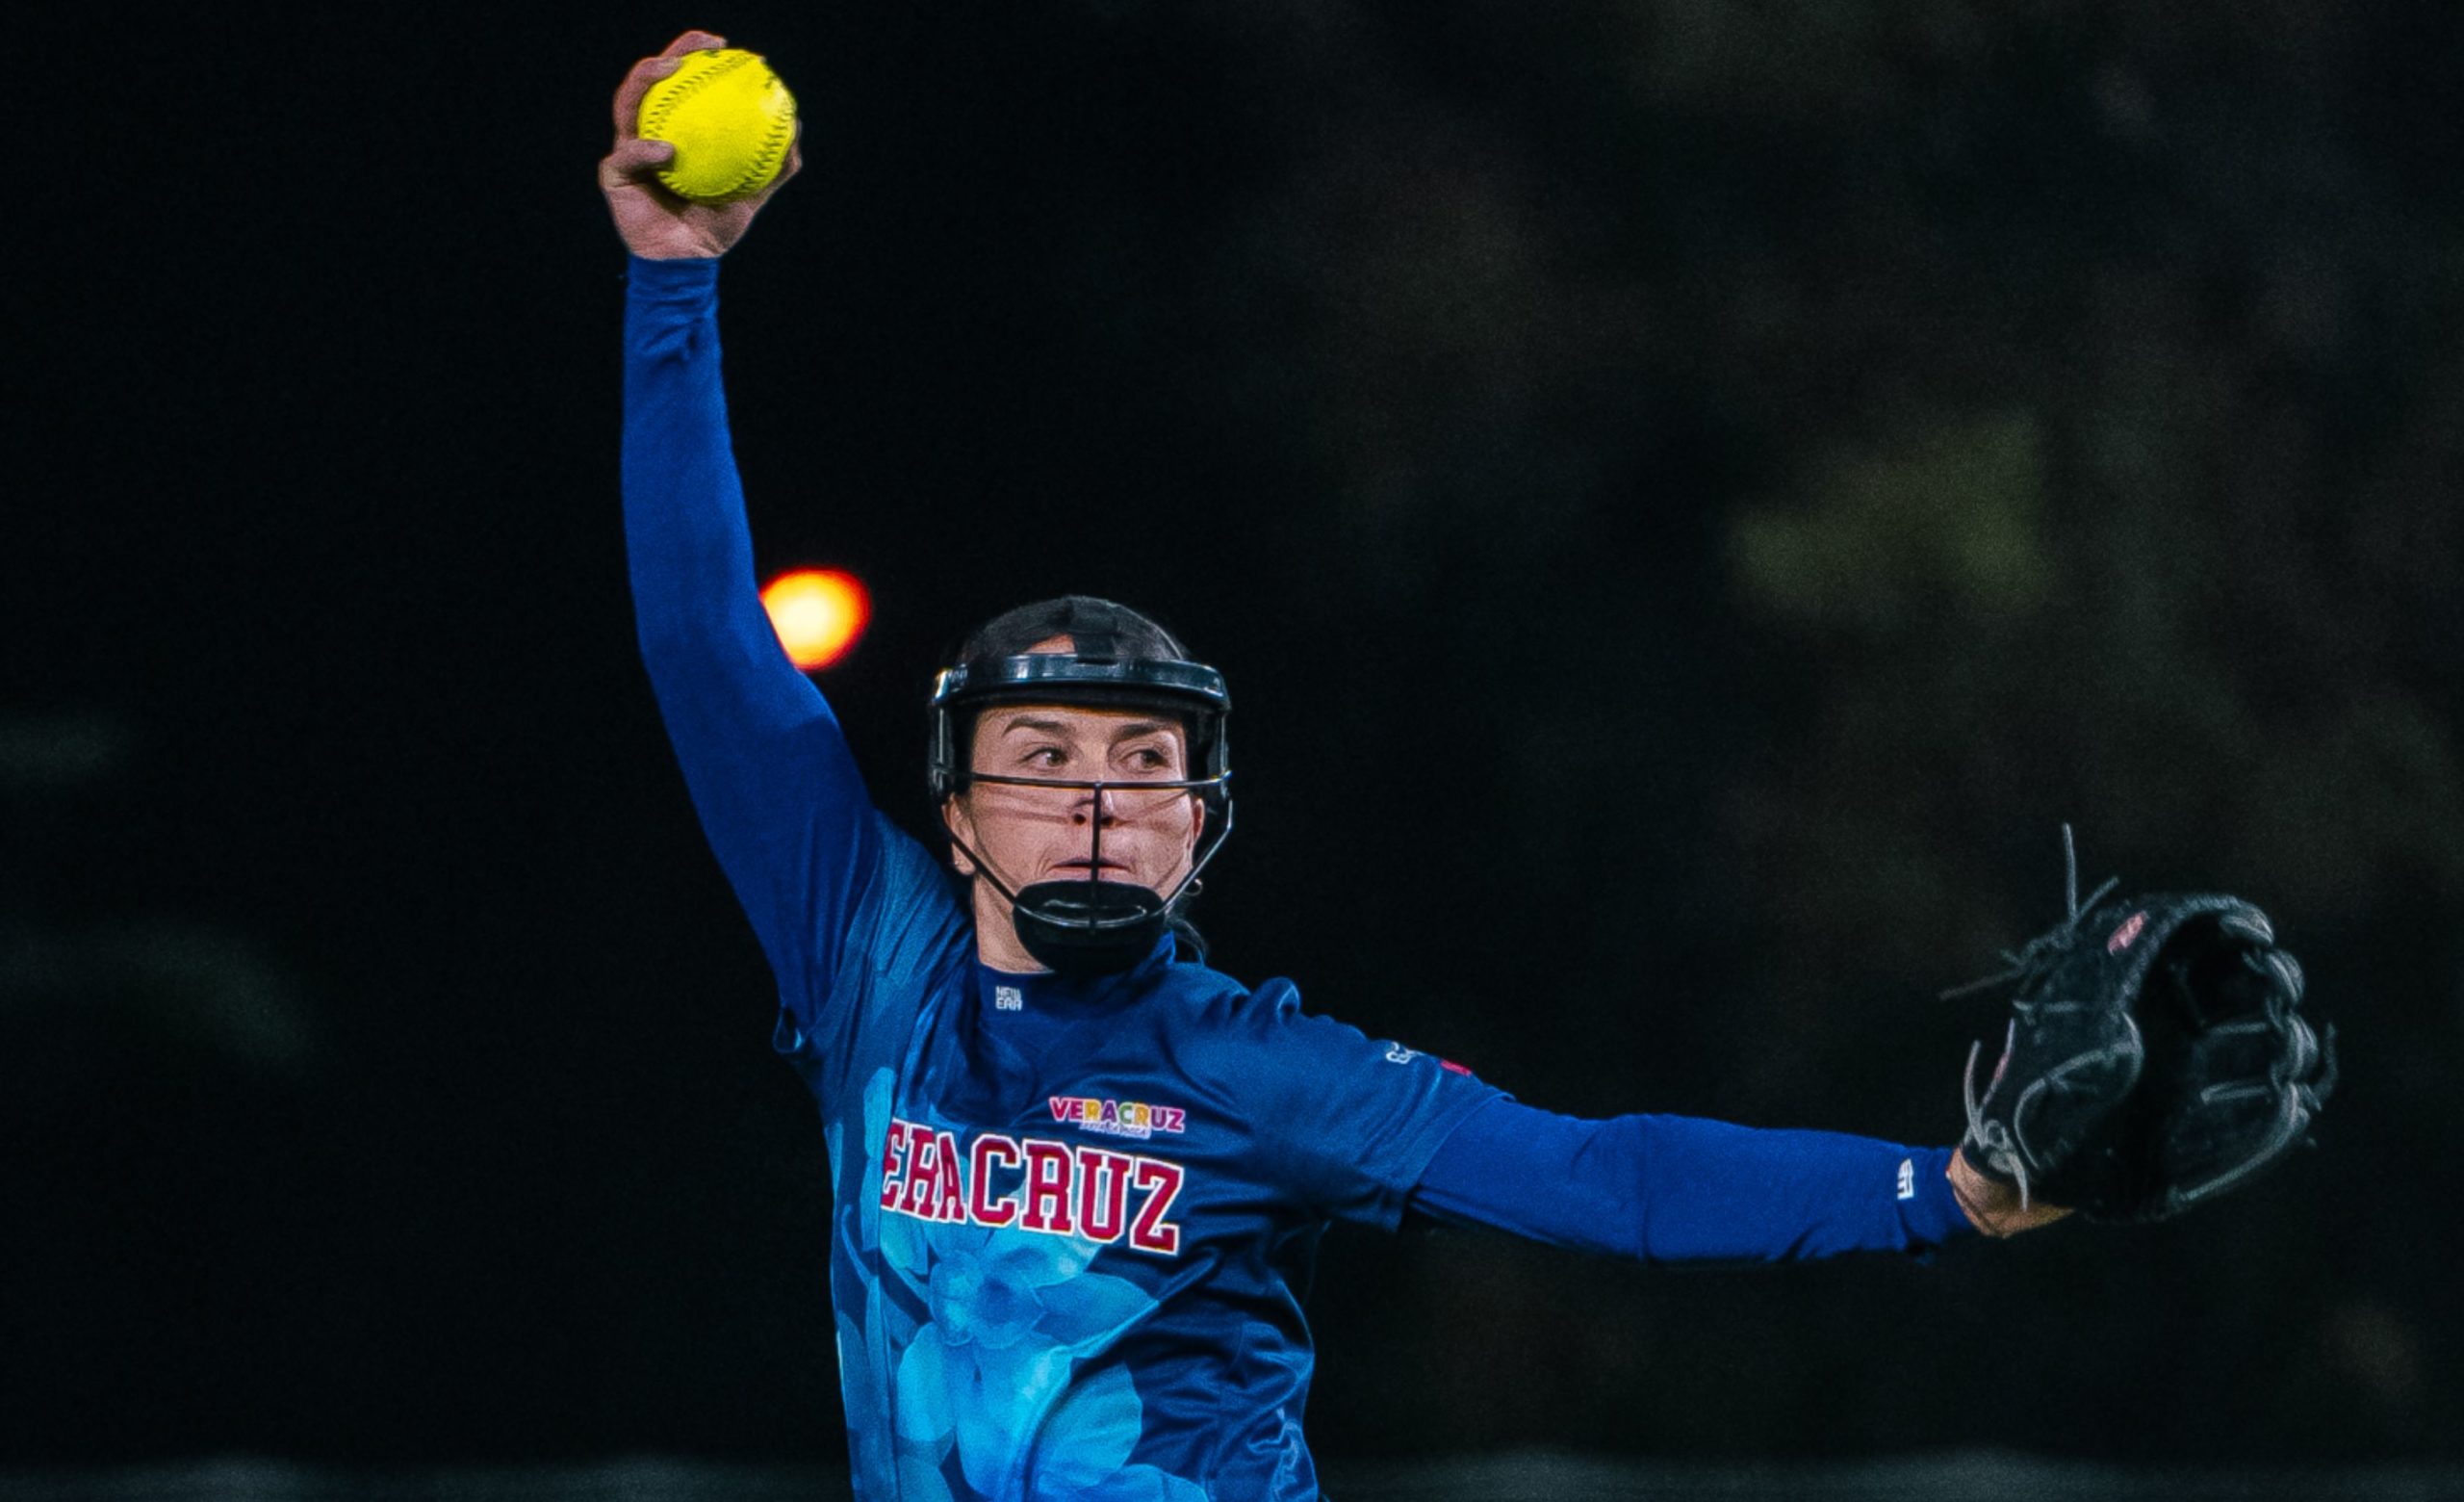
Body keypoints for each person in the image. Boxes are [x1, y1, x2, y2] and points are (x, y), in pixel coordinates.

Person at [603, 31, 2064, 1502]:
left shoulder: (1259, 1070)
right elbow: (703, 640)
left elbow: (1601, 1178)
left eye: (1145, 762)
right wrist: (674, 281)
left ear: (1196, 824)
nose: (1099, 801)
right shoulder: (872, 962)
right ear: (957, 810)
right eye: (1042, 755)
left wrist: (1942, 1191)